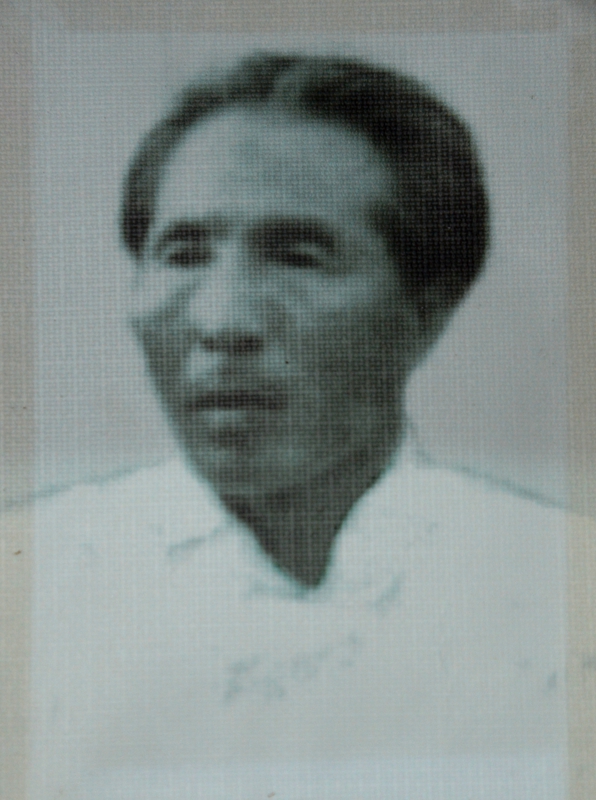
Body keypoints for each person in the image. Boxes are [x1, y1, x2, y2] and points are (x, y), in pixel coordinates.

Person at [29, 53, 566, 799]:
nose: (223, 322)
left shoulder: (559, 592)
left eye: (298, 258)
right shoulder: (32, 586)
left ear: (427, 312)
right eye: (183, 254)